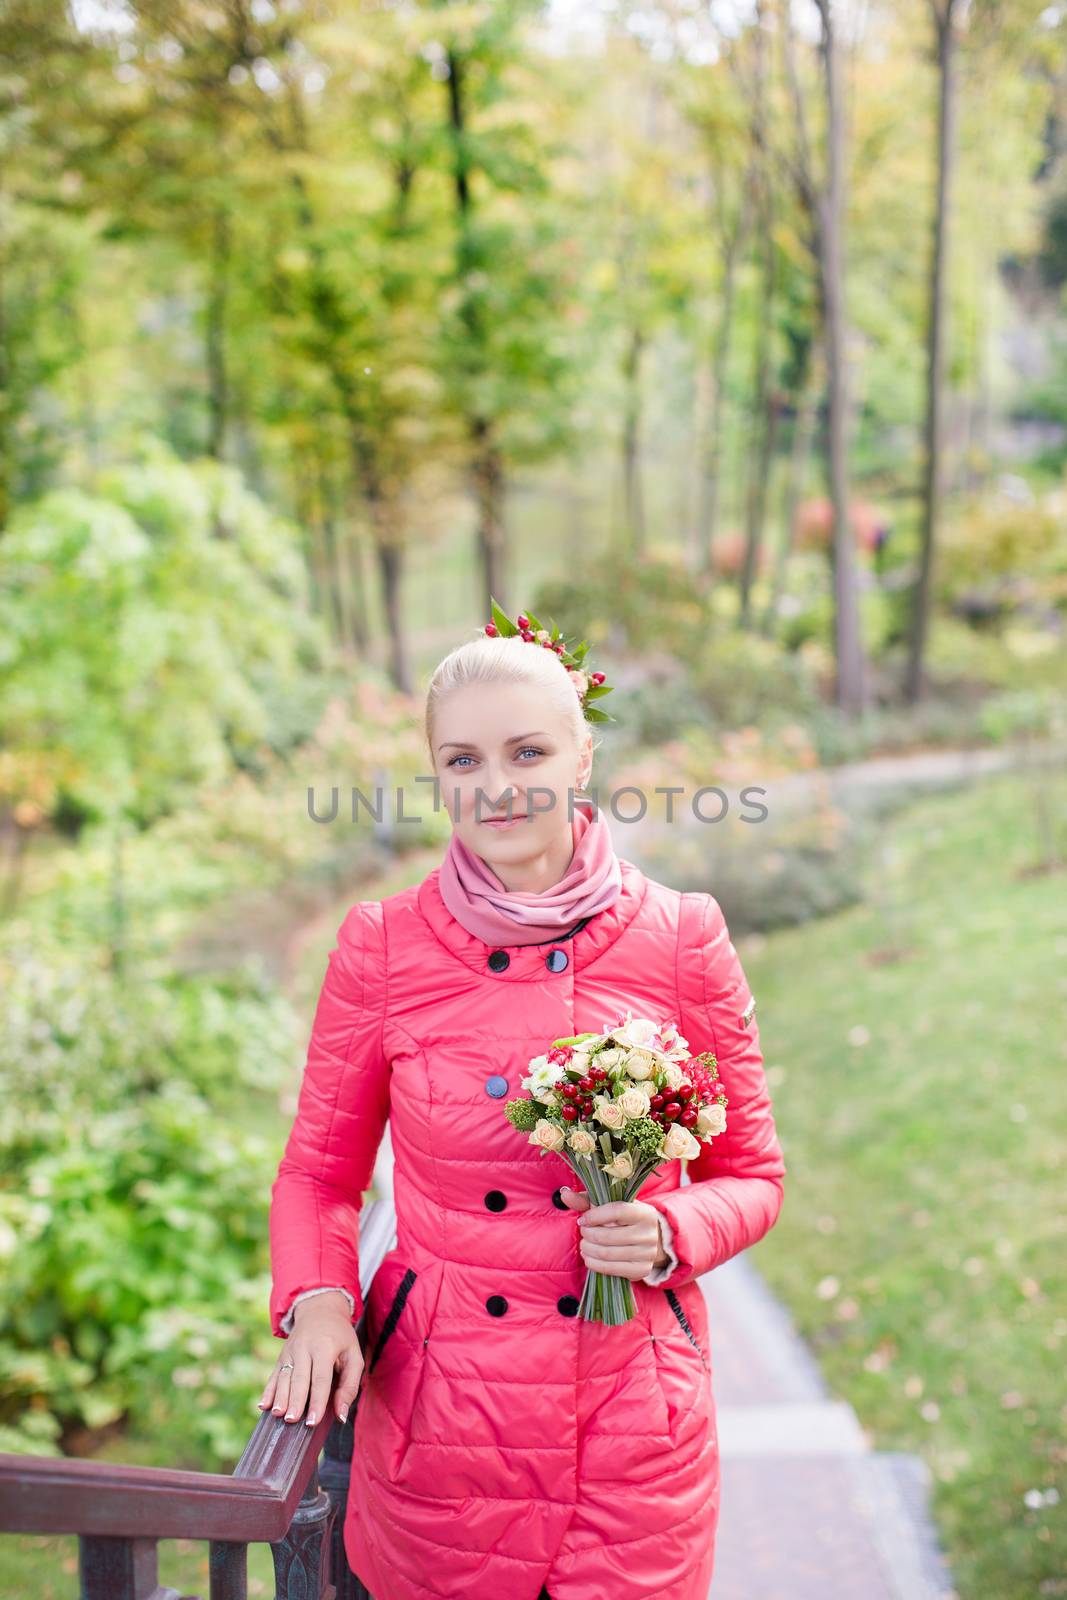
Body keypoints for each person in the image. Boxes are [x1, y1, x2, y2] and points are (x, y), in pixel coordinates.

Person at [259, 616, 787, 1600]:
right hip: (444, 1434)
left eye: (526, 750)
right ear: (437, 775)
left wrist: (671, 1227)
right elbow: (317, 1178)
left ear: (580, 755)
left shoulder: (681, 937)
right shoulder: (380, 947)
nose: (495, 785)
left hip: (632, 1437)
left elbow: (752, 1177)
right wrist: (318, 1298)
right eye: (462, 758)